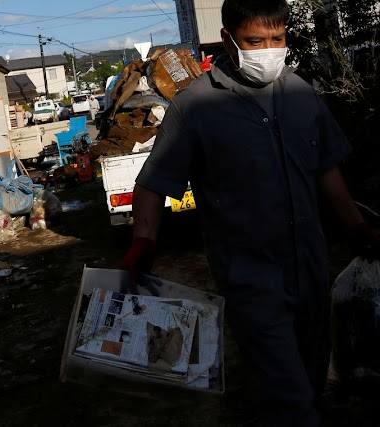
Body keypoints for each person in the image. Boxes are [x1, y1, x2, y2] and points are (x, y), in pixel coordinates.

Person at [119, 0, 379, 425]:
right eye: (255, 41)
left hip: (310, 266)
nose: (269, 50)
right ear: (228, 40)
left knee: (312, 373)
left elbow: (326, 168)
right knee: (290, 392)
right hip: (250, 275)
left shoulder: (300, 93)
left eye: (277, 39)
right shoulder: (196, 106)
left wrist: (355, 225)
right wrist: (143, 241)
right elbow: (152, 183)